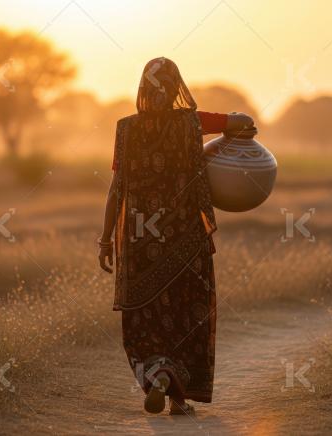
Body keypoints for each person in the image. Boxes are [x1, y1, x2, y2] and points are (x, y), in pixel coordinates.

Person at [98, 57, 254, 415]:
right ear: (174, 88)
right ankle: (179, 396)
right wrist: (236, 126)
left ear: (142, 90)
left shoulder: (126, 130)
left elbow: (115, 190)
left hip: (139, 245)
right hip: (186, 243)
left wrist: (106, 239)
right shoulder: (192, 123)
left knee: (145, 317)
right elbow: (243, 123)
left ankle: (159, 374)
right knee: (187, 316)